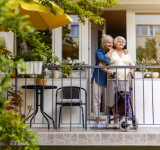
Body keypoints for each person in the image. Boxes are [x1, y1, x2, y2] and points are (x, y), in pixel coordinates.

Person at [99, 36, 135, 129]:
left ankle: (121, 121)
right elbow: (101, 65)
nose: (121, 43)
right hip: (113, 79)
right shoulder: (111, 53)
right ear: (115, 44)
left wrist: (131, 72)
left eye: (123, 42)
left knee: (123, 100)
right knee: (114, 101)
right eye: (119, 41)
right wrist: (109, 71)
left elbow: (133, 65)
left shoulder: (127, 54)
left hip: (125, 80)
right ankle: (115, 121)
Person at [91, 34, 114, 128]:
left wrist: (125, 51)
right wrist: (110, 52)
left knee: (112, 100)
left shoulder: (114, 51)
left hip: (110, 79)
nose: (111, 44)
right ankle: (98, 120)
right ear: (104, 43)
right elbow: (104, 59)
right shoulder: (98, 51)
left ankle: (111, 119)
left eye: (112, 42)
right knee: (97, 100)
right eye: (109, 42)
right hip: (98, 77)